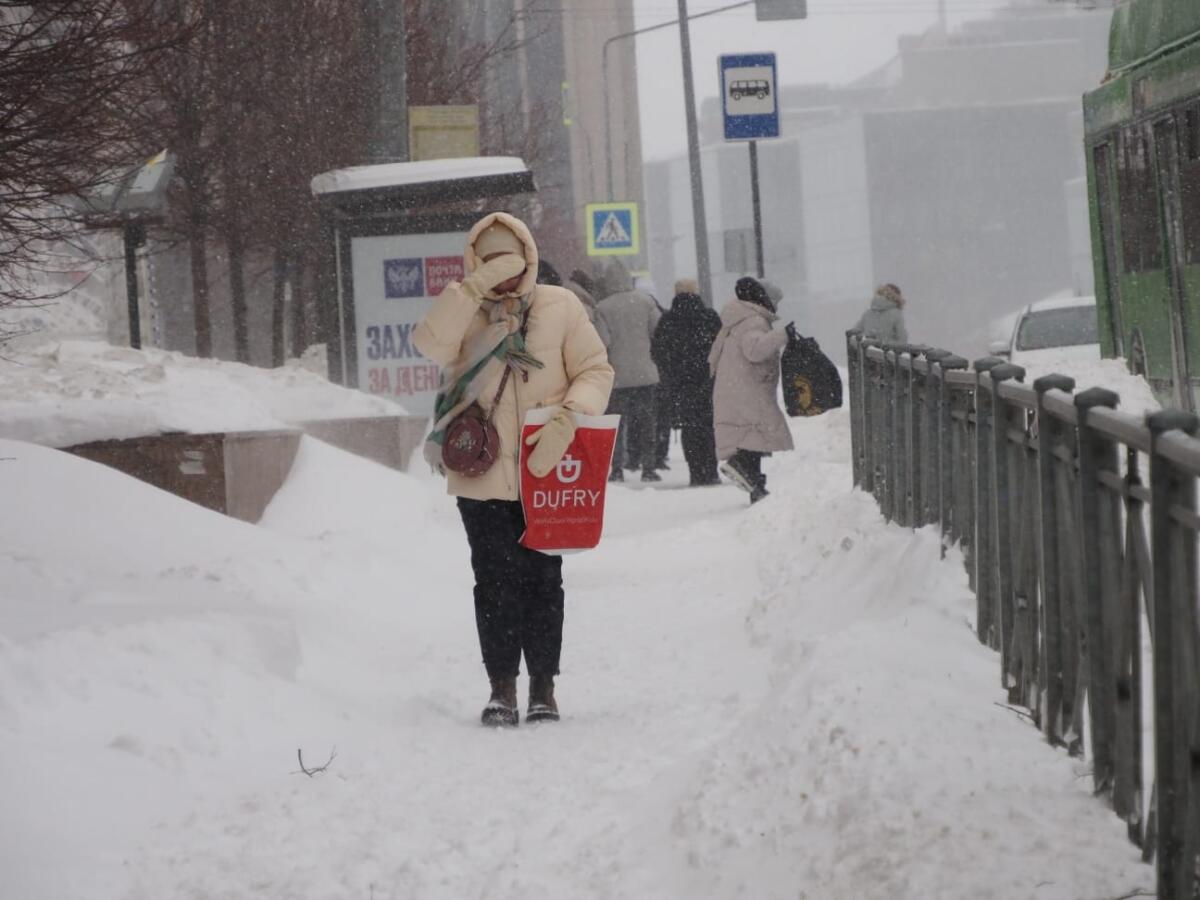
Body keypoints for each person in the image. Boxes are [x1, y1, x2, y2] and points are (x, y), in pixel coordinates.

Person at [413, 213, 614, 727]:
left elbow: (595, 369)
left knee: (544, 579)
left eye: (511, 263)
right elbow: (429, 345)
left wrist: (572, 416)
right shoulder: (466, 311)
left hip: (545, 470)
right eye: (490, 265)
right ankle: (501, 687)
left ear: (528, 257)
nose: (504, 276)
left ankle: (544, 687)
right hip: (480, 472)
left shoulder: (560, 306)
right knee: (493, 580)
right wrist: (473, 288)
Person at [709, 276, 794, 504]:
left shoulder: (740, 318)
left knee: (751, 435)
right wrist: (782, 335)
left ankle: (754, 481)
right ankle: (746, 472)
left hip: (739, 386)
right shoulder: (753, 321)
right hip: (747, 388)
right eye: (775, 301)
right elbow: (755, 350)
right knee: (754, 434)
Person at [594, 260, 662, 482]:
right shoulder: (646, 302)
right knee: (646, 423)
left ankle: (617, 469)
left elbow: (602, 340)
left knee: (616, 425)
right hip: (645, 373)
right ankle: (649, 468)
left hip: (617, 377)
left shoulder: (602, 307)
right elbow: (656, 331)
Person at [651, 278, 722, 486]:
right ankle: (711, 470)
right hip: (707, 381)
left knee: (689, 428)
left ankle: (696, 472)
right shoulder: (709, 317)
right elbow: (722, 346)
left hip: (680, 383)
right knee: (708, 426)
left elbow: (657, 351)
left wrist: (670, 372)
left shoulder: (668, 320)